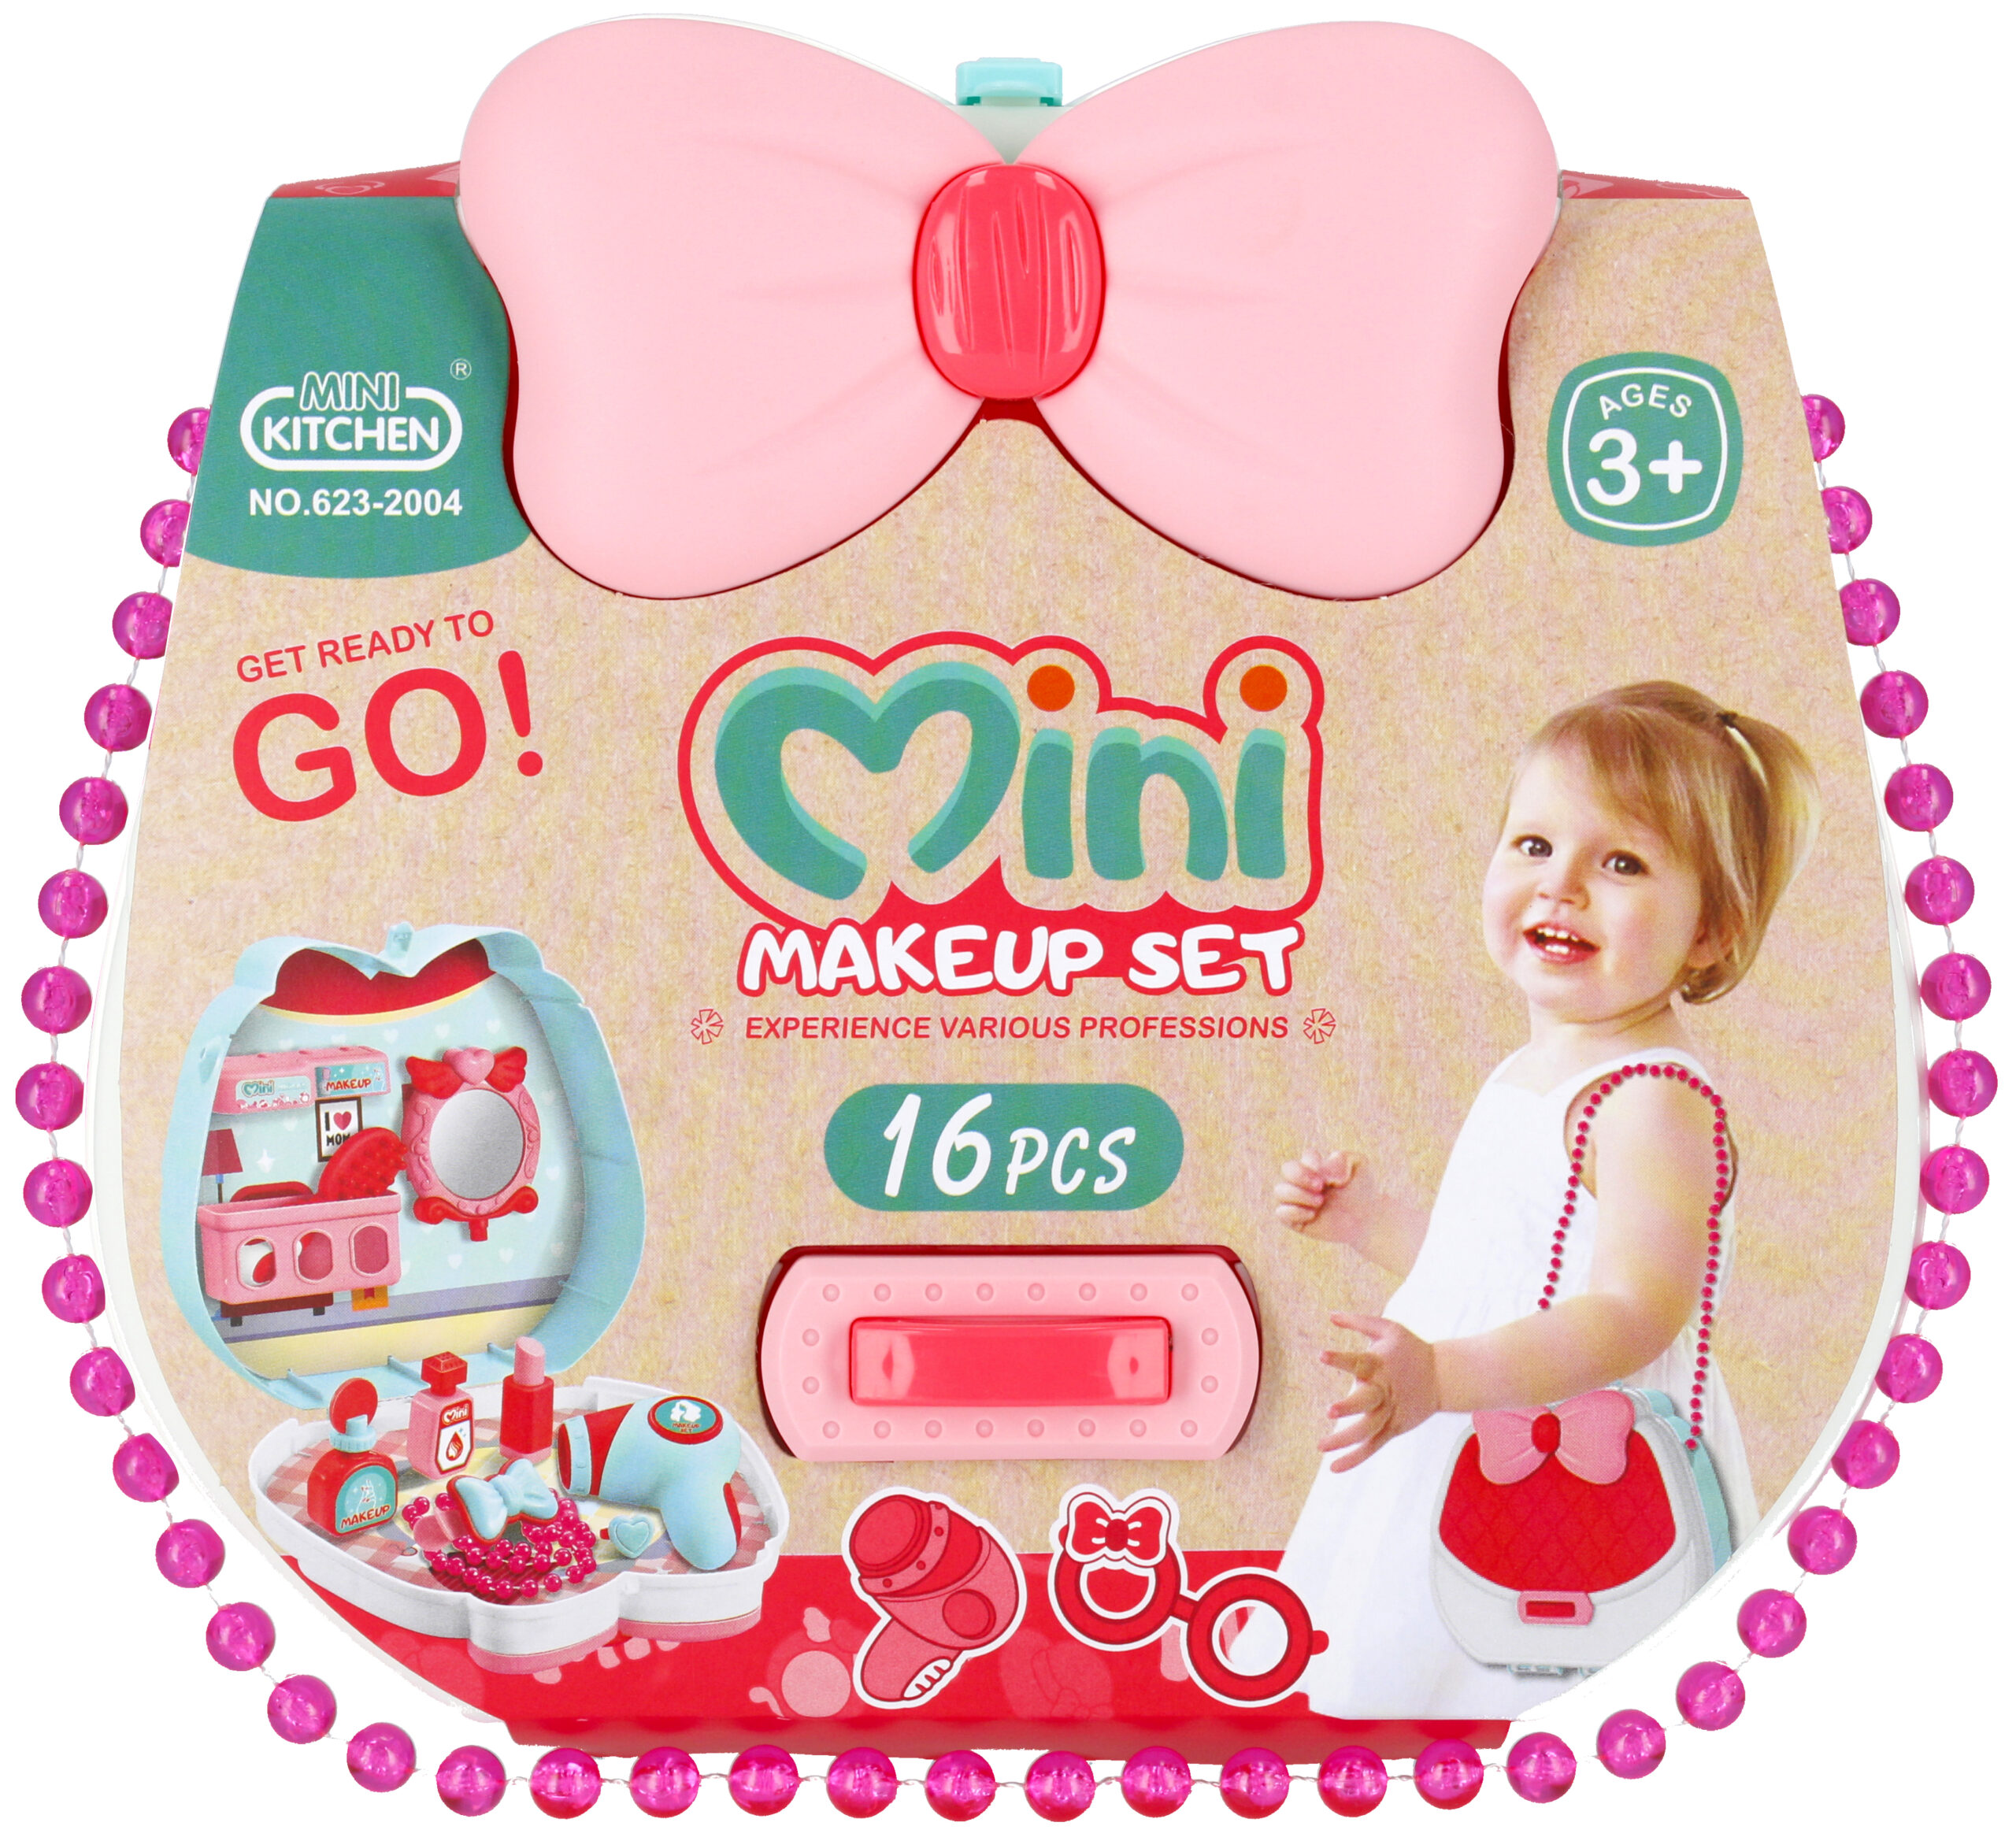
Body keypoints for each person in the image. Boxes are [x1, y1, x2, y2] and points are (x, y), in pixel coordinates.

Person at [1250, 681, 1819, 1717]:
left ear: (1709, 930)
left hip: (1581, 1462)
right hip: (1472, 1417)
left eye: (1622, 863)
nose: (1561, 886)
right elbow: (1505, 1268)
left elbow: (1633, 1310)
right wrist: (1375, 1224)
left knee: (1542, 1663)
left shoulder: (1650, 1101)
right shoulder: (1539, 1069)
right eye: (1534, 845)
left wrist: (1447, 1375)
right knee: (1429, 1643)